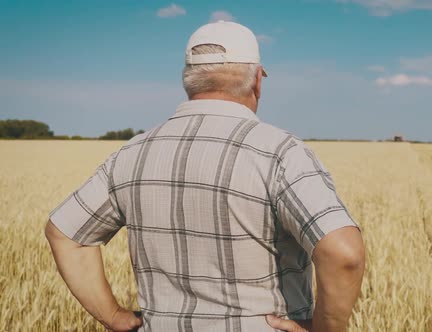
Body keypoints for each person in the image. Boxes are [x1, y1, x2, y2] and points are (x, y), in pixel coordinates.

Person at [45, 20, 365, 332]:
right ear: (257, 81)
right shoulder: (280, 153)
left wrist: (113, 315)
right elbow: (343, 252)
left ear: (189, 80)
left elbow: (66, 234)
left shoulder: (131, 154)